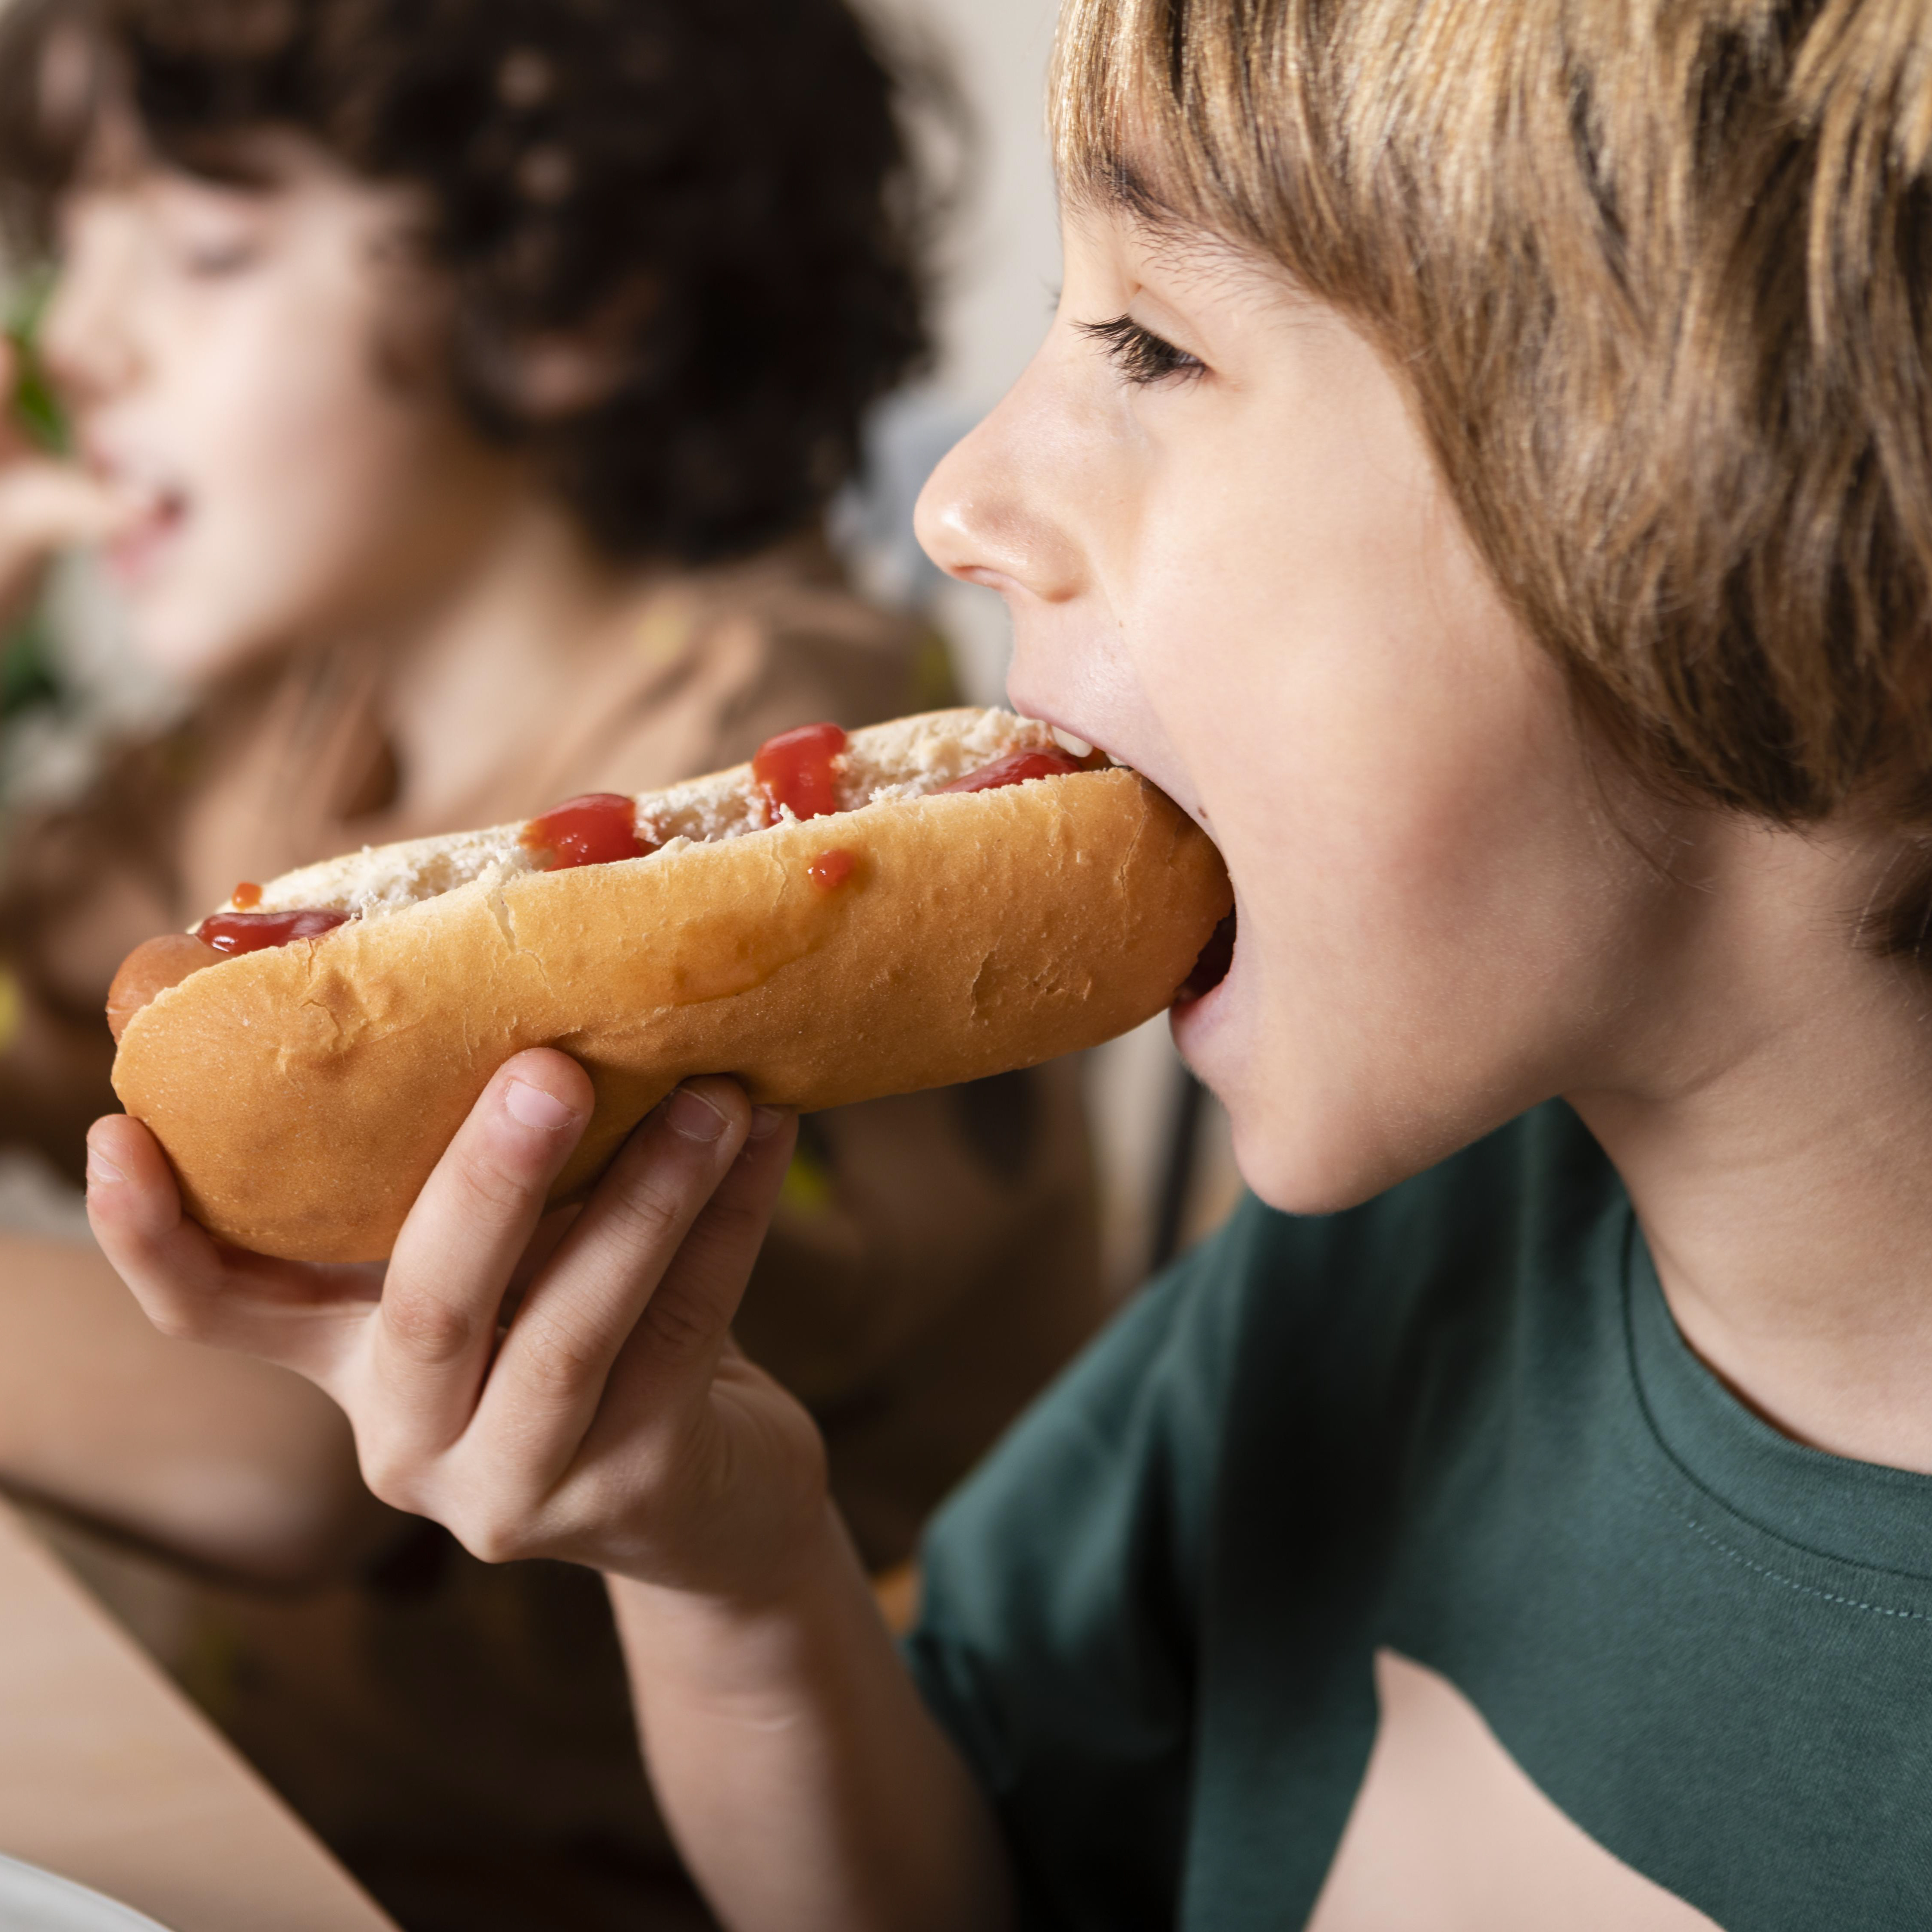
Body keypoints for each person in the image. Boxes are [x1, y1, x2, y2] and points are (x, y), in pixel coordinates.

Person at [89, 0, 1932, 1923]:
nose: (954, 502)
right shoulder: (1403, 1251)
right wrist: (720, 1552)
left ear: (1821, 535)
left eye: (1154, 341)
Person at [0, 0, 1104, 1923]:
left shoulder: (775, 772)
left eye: (201, 247)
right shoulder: (304, 718)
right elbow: (34, 1031)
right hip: (292, 1811)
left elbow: (287, 1448)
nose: (70, 343)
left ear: (568, 291)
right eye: (73, 244)